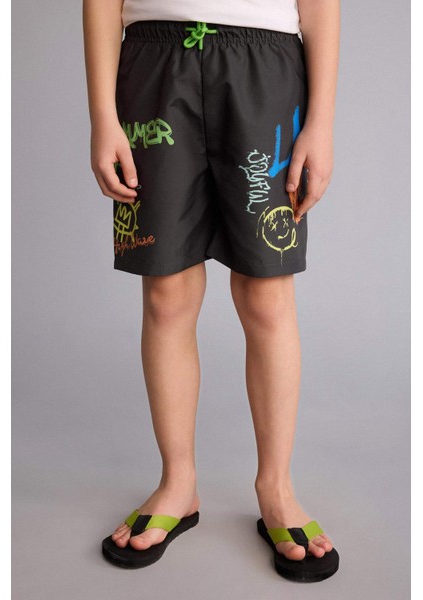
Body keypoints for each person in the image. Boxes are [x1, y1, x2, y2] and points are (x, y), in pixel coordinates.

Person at [83, 0, 340, 582]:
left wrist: (321, 122)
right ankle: (178, 484)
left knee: (267, 295)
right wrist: (102, 115)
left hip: (264, 68)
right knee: (166, 294)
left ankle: (276, 489)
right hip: (154, 64)